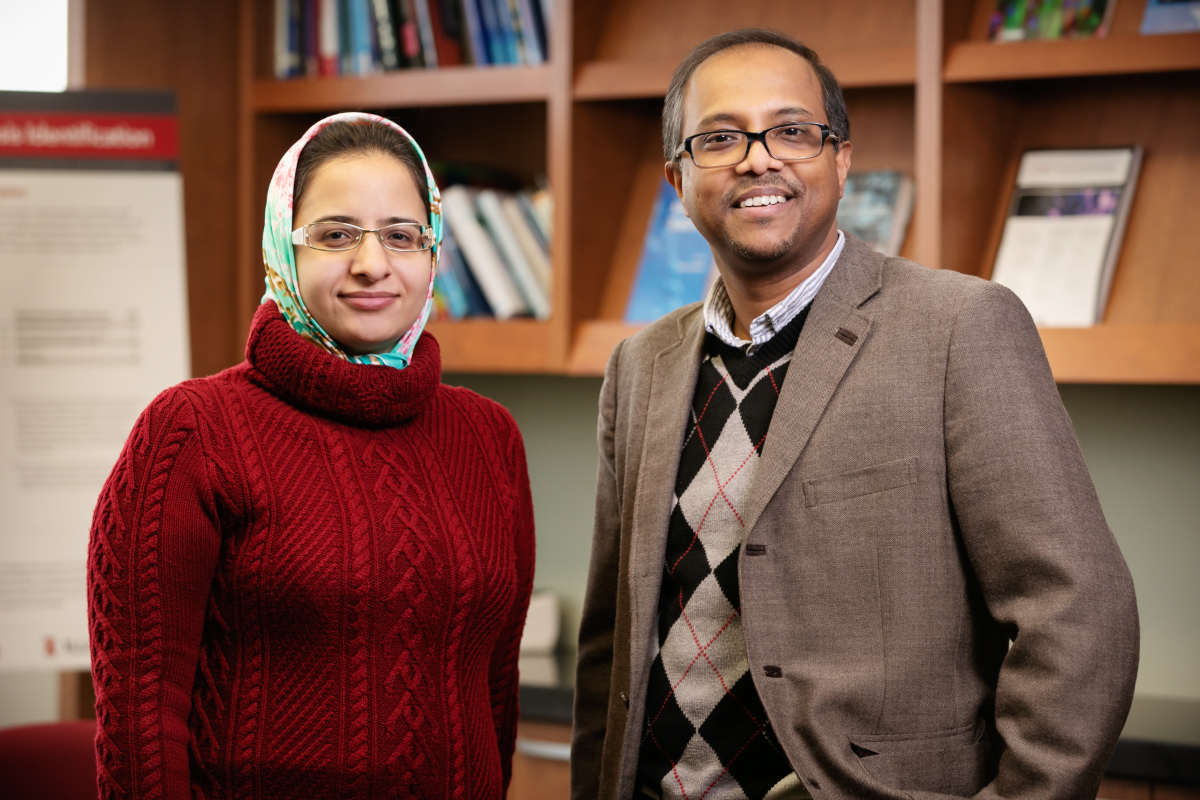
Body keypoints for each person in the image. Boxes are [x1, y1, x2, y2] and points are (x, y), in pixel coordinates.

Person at [572, 29, 1138, 800]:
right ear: (678, 177)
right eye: (720, 137)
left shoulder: (959, 327)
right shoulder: (639, 367)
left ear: (841, 159)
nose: (757, 157)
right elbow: (610, 641)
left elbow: (1078, 613)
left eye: (793, 131)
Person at [87, 113, 535, 799]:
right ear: (281, 249)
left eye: (401, 235)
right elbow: (139, 723)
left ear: (433, 250)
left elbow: (495, 690)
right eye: (335, 235)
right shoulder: (193, 432)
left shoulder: (489, 437)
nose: (372, 263)